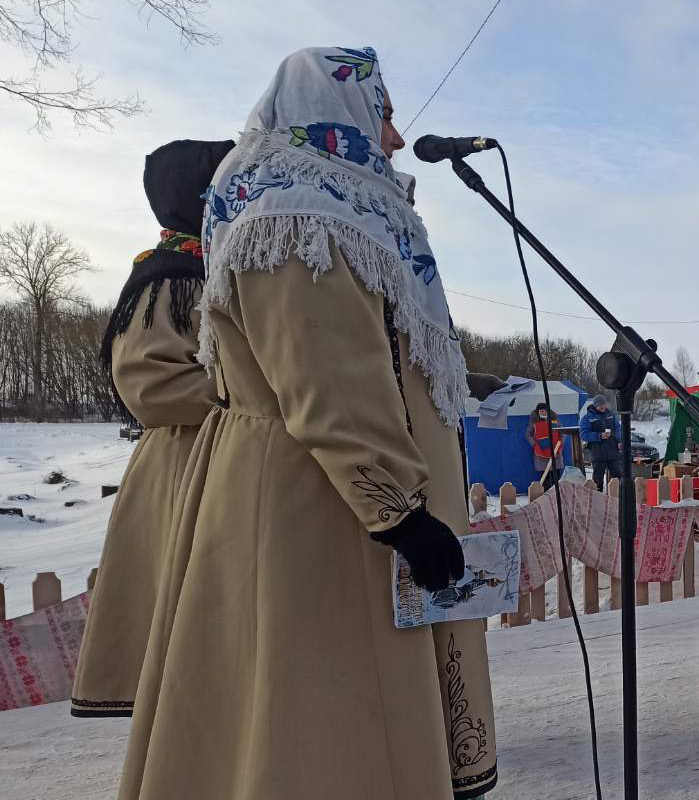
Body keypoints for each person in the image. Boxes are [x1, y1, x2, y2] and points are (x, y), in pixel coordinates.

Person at [118, 47, 497, 800]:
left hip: (329, 496)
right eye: (383, 114)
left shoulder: (332, 204)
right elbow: (328, 383)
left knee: (311, 718)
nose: (392, 138)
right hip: (319, 510)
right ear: (337, 106)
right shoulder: (296, 211)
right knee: (320, 726)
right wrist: (398, 514)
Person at [70, 139, 233, 719]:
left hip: (227, 454)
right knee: (192, 607)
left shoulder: (223, 265)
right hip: (186, 463)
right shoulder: (170, 276)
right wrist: (259, 393)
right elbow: (150, 385)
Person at [581, 394, 624, 491]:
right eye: (600, 405)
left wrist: (620, 441)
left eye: (604, 405)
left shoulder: (611, 415)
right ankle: (598, 499)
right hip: (598, 453)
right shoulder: (587, 418)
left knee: (618, 477)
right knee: (598, 481)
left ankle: (619, 499)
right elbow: (584, 434)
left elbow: (618, 429)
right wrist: (599, 436)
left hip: (612, 452)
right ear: (595, 406)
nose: (602, 407)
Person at [526, 400, 565, 489]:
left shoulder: (555, 421)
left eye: (544, 410)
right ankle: (547, 494)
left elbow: (562, 432)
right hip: (541, 452)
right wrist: (535, 445)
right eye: (541, 411)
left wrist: (560, 444)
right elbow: (528, 435)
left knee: (556, 476)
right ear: (538, 412)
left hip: (555, 452)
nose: (543, 412)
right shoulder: (534, 423)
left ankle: (556, 495)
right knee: (545, 478)